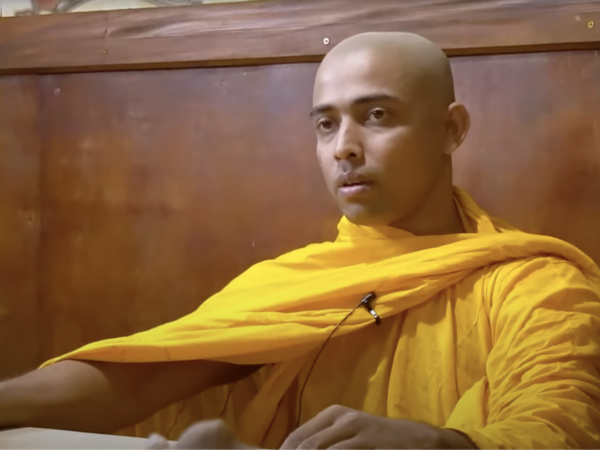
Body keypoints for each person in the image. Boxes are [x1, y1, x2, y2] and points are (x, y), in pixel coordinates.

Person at [1, 32, 599, 450]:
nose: (343, 148)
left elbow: (562, 427)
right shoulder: (297, 282)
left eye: (377, 116)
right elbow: (147, 376)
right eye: (325, 124)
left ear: (451, 129)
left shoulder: (537, 285)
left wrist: (444, 444)